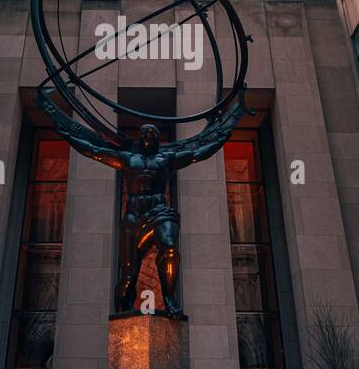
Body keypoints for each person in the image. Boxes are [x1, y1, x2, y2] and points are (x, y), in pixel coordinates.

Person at [37, 88, 246, 318]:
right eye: (144, 134)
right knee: (128, 278)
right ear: (140, 139)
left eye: (152, 134)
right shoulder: (128, 159)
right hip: (134, 218)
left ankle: (168, 298)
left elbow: (200, 152)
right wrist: (63, 129)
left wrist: (230, 125)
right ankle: (122, 313)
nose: (148, 137)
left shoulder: (166, 159)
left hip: (159, 212)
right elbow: (93, 150)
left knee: (169, 246)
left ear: (157, 138)